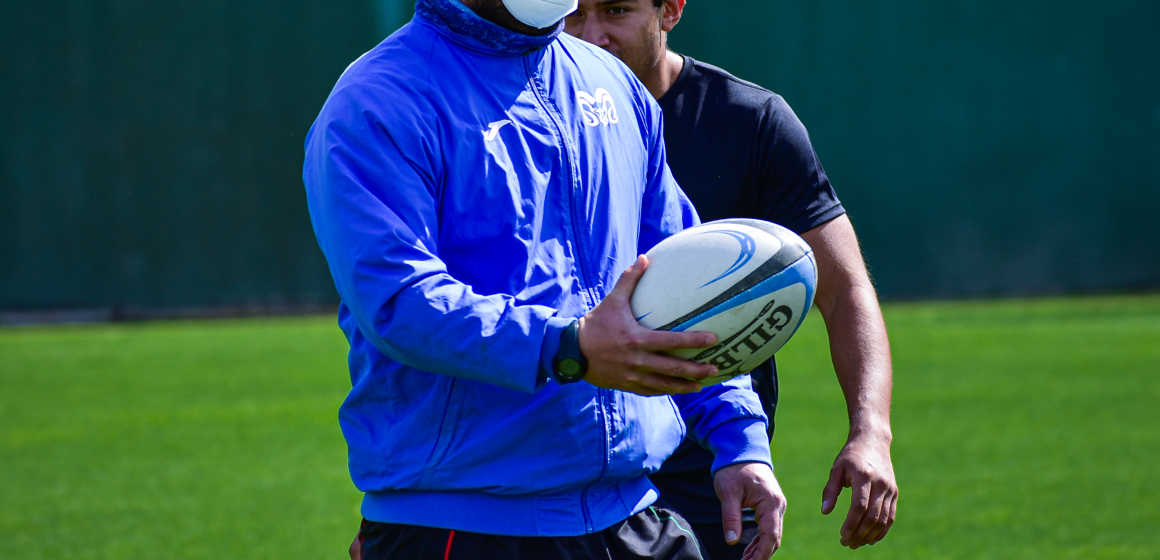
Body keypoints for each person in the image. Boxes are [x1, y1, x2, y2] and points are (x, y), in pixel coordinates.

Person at [305, 0, 787, 559]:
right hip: (464, 529)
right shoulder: (378, 98)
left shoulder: (610, 80)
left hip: (633, 517)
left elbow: (688, 282)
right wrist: (569, 346)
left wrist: (738, 440)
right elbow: (398, 299)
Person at [563, 0, 899, 558]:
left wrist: (872, 434)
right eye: (574, 14)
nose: (592, 35)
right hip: (568, 469)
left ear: (669, 10)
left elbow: (844, 291)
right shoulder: (531, 123)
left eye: (616, 10)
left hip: (714, 472)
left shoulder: (751, 121)